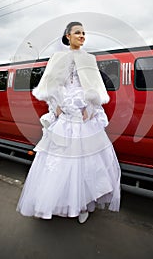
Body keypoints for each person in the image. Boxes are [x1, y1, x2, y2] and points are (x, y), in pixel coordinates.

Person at [16, 21, 121, 223]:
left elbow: (95, 89)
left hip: (84, 121)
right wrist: (55, 105)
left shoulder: (90, 59)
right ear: (67, 36)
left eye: (84, 33)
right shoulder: (57, 58)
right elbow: (51, 86)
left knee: (86, 164)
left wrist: (91, 108)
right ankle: (58, 203)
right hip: (65, 118)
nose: (82, 36)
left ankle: (82, 205)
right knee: (60, 164)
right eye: (77, 32)